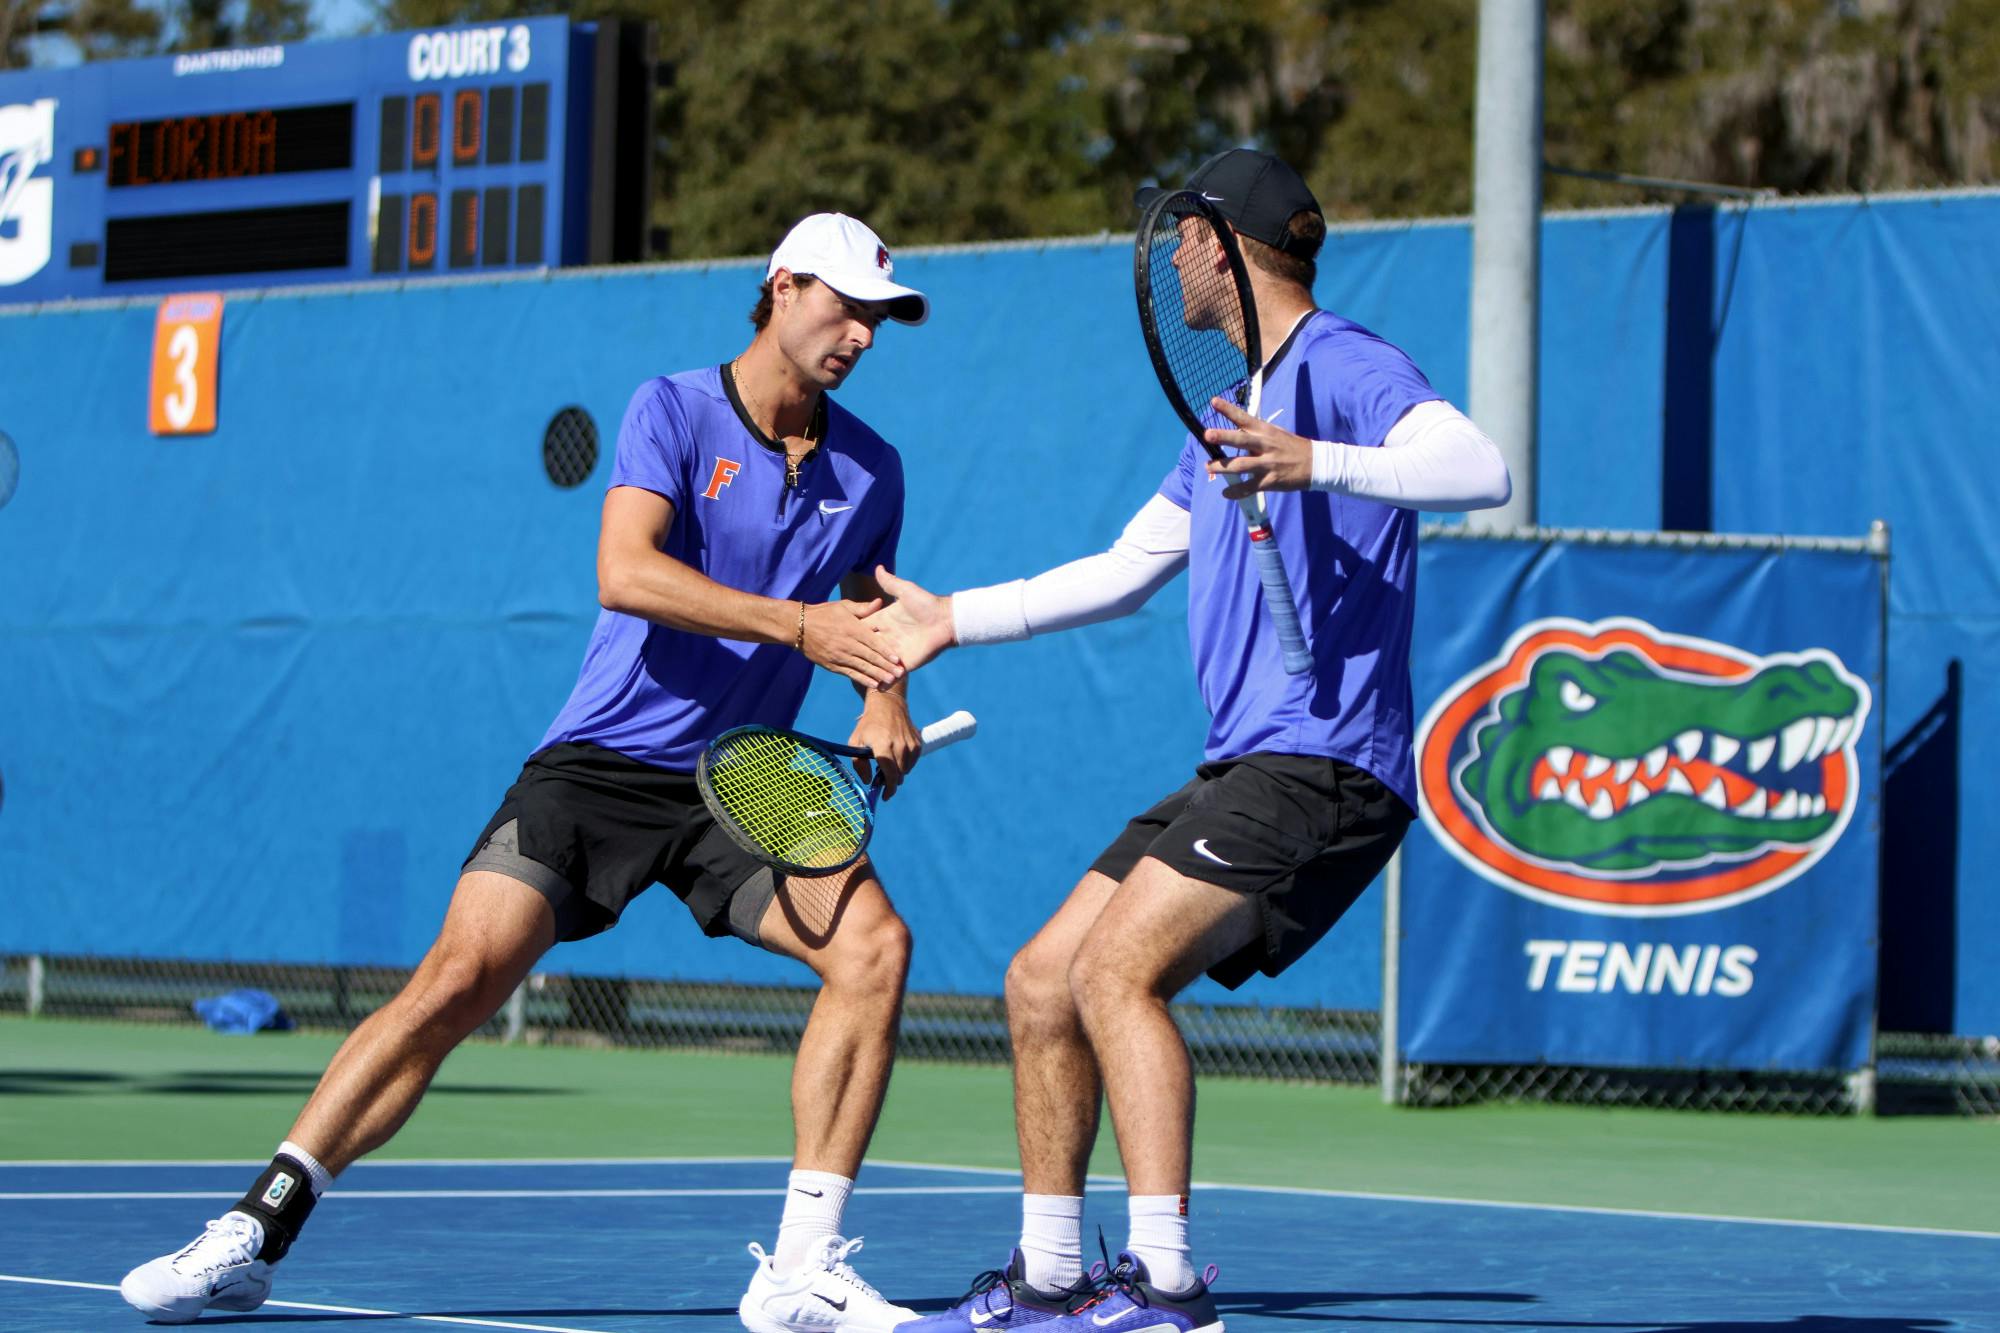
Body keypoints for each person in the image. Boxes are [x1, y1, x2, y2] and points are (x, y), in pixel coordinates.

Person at [121, 212, 934, 1332]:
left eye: (878, 318)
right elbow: (625, 570)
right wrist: (799, 630)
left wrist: (883, 692)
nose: (862, 335)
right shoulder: (675, 408)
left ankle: (798, 1271)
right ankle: (254, 1231)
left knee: (874, 948)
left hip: (745, 776)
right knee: (454, 981)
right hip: (601, 762)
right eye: (844, 306)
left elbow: (864, 605)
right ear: (781, 286)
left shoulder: (871, 467)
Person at [869, 149, 1511, 1333]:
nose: (1165, 255)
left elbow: (1479, 467)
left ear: (1221, 244)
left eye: (1177, 233)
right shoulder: (1224, 413)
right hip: (1242, 764)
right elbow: (1121, 573)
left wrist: (1316, 461)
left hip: (1321, 763)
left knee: (1118, 972)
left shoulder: (1340, 363)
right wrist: (946, 621)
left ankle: (1164, 1287)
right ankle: (1049, 1278)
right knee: (1041, 980)